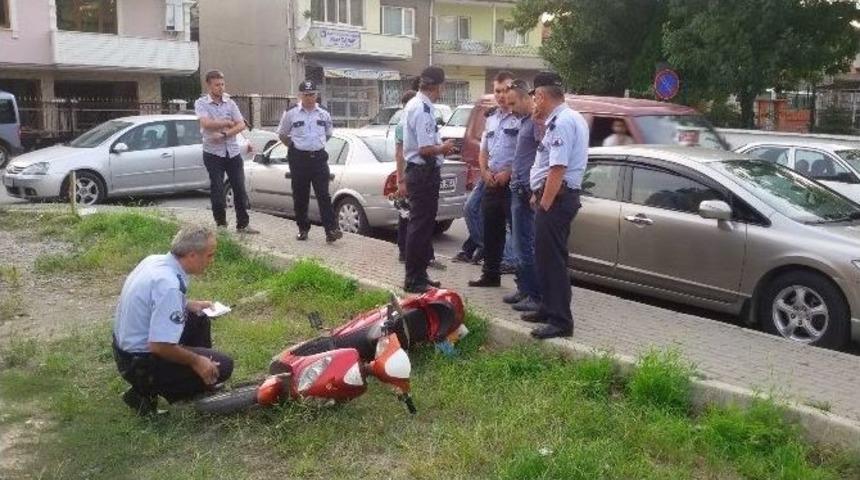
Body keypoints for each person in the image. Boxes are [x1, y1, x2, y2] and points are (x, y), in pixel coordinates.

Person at [112, 226, 234, 415]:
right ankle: (149, 390)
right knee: (225, 366)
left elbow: (153, 300)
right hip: (139, 363)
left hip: (124, 351)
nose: (212, 260)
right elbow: (159, 346)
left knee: (199, 318)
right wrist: (196, 361)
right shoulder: (169, 285)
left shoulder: (154, 261)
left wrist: (187, 304)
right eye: (210, 255)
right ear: (192, 255)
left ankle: (196, 386)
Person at [523, 72, 588, 340]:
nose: (534, 105)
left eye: (535, 98)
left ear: (541, 95)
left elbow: (558, 168)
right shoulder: (565, 118)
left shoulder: (562, 122)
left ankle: (560, 321)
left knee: (553, 261)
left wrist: (544, 203)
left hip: (557, 200)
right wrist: (538, 193)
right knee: (546, 257)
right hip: (554, 197)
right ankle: (549, 308)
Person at [401, 66, 457, 293]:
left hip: (420, 172)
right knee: (420, 227)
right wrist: (443, 148)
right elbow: (424, 149)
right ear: (438, 86)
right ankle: (414, 279)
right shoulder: (423, 108)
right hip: (423, 172)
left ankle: (420, 274)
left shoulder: (417, 104)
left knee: (423, 226)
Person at [469, 72, 520, 288]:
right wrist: (484, 172)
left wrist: (508, 172)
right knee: (491, 231)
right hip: (491, 181)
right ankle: (490, 275)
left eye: (505, 90)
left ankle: (523, 284)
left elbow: (525, 153)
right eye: (497, 91)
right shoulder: (491, 118)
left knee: (518, 232)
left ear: (513, 90)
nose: (500, 95)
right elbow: (484, 150)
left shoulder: (521, 118)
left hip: (512, 184)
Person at [277, 80, 343, 243]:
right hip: (299, 158)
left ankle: (331, 230)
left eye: (312, 94)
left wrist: (315, 145)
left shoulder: (323, 113)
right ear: (300, 96)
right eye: (306, 95)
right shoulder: (291, 112)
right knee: (301, 195)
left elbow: (327, 133)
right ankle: (303, 228)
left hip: (319, 158)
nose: (309, 98)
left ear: (316, 95)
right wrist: (294, 146)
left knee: (323, 195)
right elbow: (282, 134)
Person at [194, 70, 259, 234]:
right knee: (217, 189)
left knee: (239, 188)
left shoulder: (230, 103)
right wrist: (227, 122)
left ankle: (243, 224)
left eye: (222, 84)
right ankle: (221, 225)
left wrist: (225, 132)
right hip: (213, 153)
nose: (221, 88)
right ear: (209, 85)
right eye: (217, 85)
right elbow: (206, 123)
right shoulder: (201, 103)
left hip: (232, 152)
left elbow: (241, 124)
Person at [394, 89, 446, 271]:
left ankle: (421, 267)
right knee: (413, 222)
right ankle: (413, 271)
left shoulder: (420, 111)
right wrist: (401, 181)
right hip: (419, 172)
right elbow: (401, 153)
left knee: (422, 223)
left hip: (422, 171)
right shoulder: (418, 111)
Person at [503, 79, 542, 312]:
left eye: (514, 103)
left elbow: (544, 156)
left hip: (527, 191)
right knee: (519, 245)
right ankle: (524, 289)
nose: (511, 108)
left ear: (527, 99)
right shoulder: (524, 122)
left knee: (525, 245)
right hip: (517, 189)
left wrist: (535, 188)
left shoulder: (536, 125)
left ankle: (534, 295)